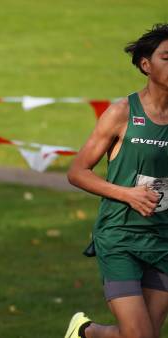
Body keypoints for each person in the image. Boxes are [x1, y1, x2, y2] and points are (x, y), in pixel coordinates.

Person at [65, 23, 168, 338]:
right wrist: (128, 194)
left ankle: (87, 333)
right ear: (146, 65)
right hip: (120, 236)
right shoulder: (122, 112)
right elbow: (77, 172)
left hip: (164, 238)